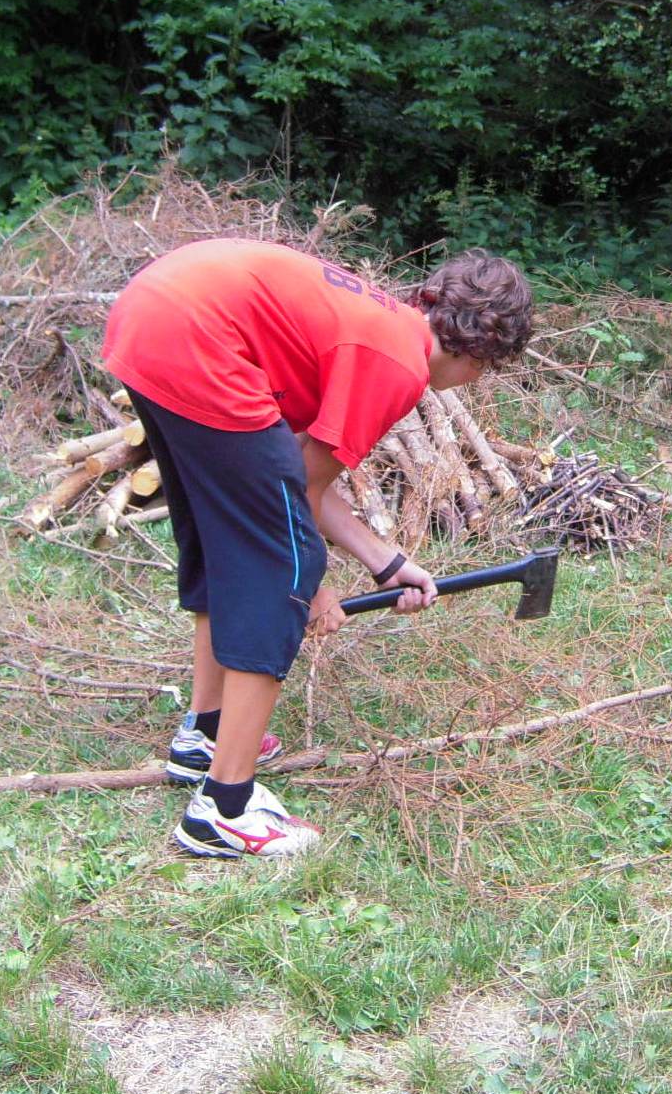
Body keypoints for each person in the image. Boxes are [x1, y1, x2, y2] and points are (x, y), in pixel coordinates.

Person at [101, 238, 533, 857]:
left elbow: (297, 479)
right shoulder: (397, 365)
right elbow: (294, 502)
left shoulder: (379, 325)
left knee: (225, 537)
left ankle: (207, 735)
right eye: (486, 370)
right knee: (281, 568)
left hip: (151, 314)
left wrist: (386, 563)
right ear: (482, 351)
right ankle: (224, 809)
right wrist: (306, 585)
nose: (473, 382)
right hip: (195, 334)